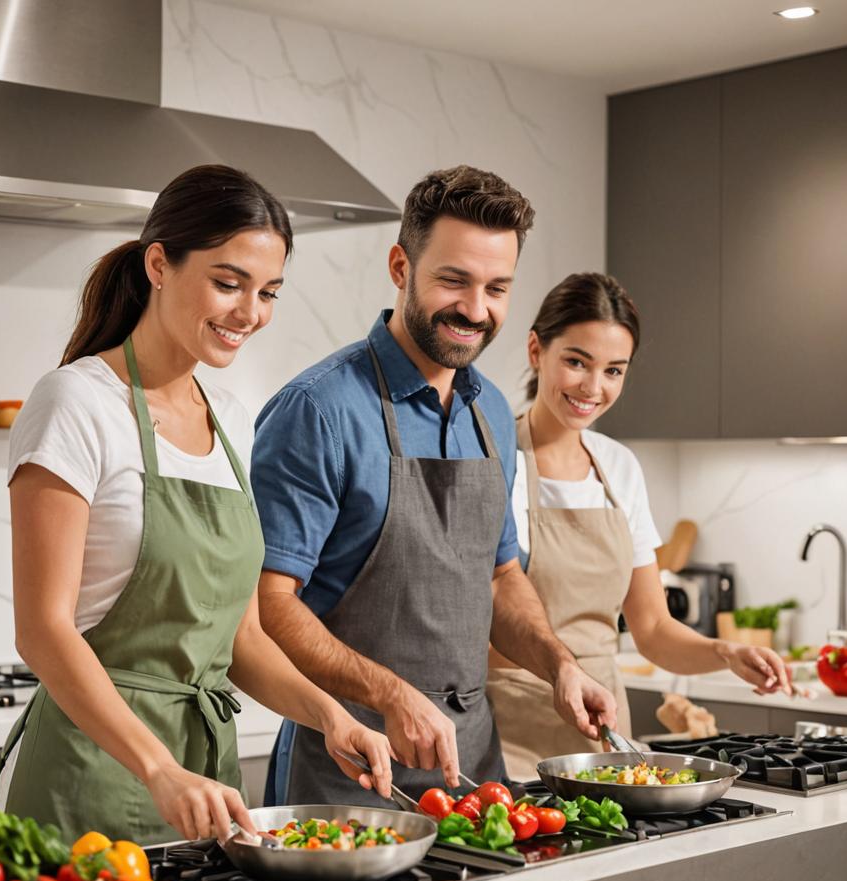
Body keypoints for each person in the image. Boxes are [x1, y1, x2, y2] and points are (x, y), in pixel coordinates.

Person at [0, 165, 393, 845]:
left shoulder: (234, 421)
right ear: (159, 263)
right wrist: (156, 767)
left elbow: (240, 640)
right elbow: (43, 630)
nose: (250, 313)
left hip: (207, 787)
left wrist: (329, 715)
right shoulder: (76, 403)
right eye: (228, 283)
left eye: (268, 292)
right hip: (86, 778)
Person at [251, 166, 620, 807]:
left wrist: (561, 665)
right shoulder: (318, 409)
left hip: (477, 773)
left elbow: (501, 576)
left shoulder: (494, 415)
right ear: (401, 268)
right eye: (454, 280)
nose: (476, 310)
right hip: (351, 770)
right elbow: (267, 605)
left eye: (497, 288)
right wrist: (391, 695)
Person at [486, 272, 792, 780]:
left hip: (604, 736)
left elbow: (651, 629)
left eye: (613, 371)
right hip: (510, 736)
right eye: (576, 362)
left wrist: (727, 653)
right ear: (536, 351)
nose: (593, 387)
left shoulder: (619, 467)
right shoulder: (495, 459)